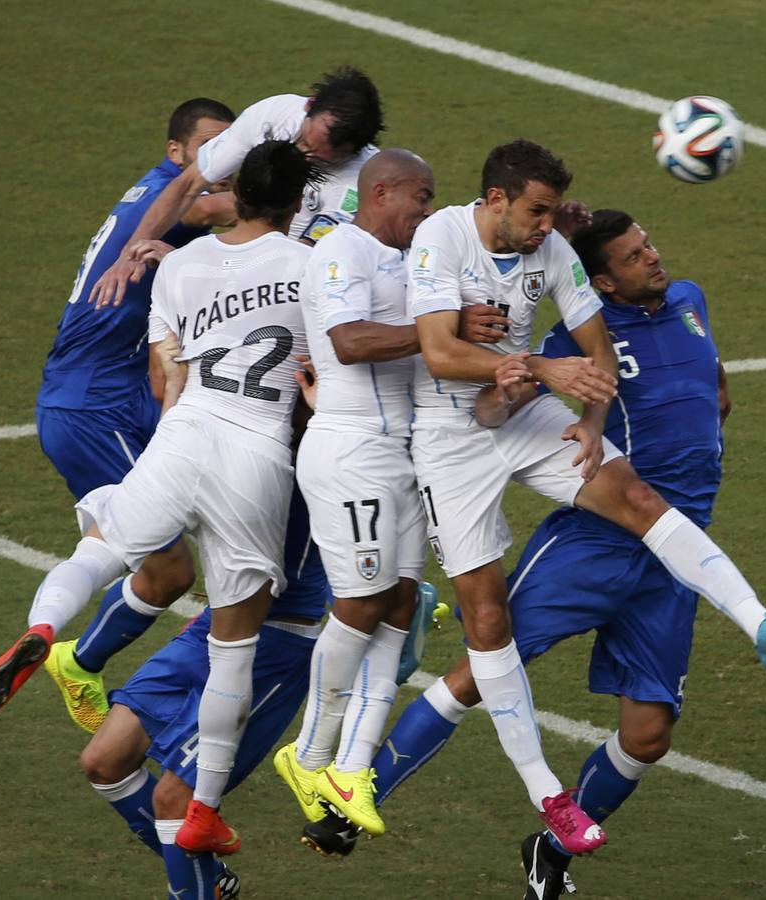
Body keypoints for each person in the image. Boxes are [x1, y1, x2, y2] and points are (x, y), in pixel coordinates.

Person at [406, 142, 766, 857]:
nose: (652, 258)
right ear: (496, 200)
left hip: (665, 540)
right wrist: (540, 368)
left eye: (649, 245)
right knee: (488, 637)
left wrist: (592, 420)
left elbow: (647, 378)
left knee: (649, 731)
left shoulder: (677, 298)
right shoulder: (443, 237)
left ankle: (759, 623)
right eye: (535, 210)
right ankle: (361, 781)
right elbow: (452, 365)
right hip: (470, 452)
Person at [0, 140, 322, 856]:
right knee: (233, 642)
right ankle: (202, 808)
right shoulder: (312, 266)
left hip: (180, 437)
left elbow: (167, 380)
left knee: (101, 549)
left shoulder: (181, 265)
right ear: (293, 204)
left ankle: (43, 630)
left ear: (232, 195)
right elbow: (321, 376)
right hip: (255, 457)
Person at [0, 99, 238, 733]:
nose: (224, 162)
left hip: (122, 392)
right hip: (94, 406)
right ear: (177, 152)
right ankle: (74, 654)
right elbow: (223, 212)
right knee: (168, 567)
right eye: (212, 148)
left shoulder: (154, 192)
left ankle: (60, 637)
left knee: (226, 484)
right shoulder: (175, 199)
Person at [272, 149, 436, 839]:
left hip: (397, 456)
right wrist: (438, 335)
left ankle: (350, 767)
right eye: (419, 198)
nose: (426, 211)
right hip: (350, 450)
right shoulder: (340, 250)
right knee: (362, 601)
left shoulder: (408, 257)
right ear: (383, 191)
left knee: (398, 605)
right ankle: (307, 753)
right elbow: (348, 340)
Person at [81, 488, 328, 899]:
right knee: (104, 761)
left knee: (175, 801)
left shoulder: (315, 456)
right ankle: (209, 879)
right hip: (214, 625)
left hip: (275, 644)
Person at [90, 67, 386, 310]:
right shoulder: (274, 115)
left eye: (320, 156)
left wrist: (182, 263)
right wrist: (127, 256)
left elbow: (296, 267)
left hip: (306, 296)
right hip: (258, 275)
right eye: (306, 140)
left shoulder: (360, 184)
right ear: (309, 104)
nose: (303, 154)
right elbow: (188, 184)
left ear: (353, 151)